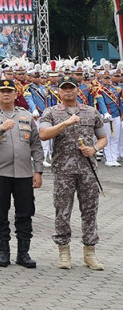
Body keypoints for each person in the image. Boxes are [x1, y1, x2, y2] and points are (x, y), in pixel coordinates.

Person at [38, 74, 109, 270]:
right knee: (62, 210)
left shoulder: (91, 112)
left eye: (72, 87)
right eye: (64, 88)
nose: (68, 91)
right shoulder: (51, 112)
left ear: (78, 90)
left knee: (89, 210)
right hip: (63, 170)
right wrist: (65, 123)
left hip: (88, 170)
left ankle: (89, 252)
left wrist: (94, 149)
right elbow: (43, 134)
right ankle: (63, 251)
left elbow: (103, 138)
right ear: (58, 91)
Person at [0, 75, 43, 268]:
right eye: (2, 91)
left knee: (25, 213)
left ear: (16, 94)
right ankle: (3, 252)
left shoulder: (26, 116)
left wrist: (38, 171)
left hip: (24, 173)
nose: (6, 94)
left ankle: (23, 253)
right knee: (0, 214)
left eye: (9, 91)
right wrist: (1, 129)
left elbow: (36, 146)